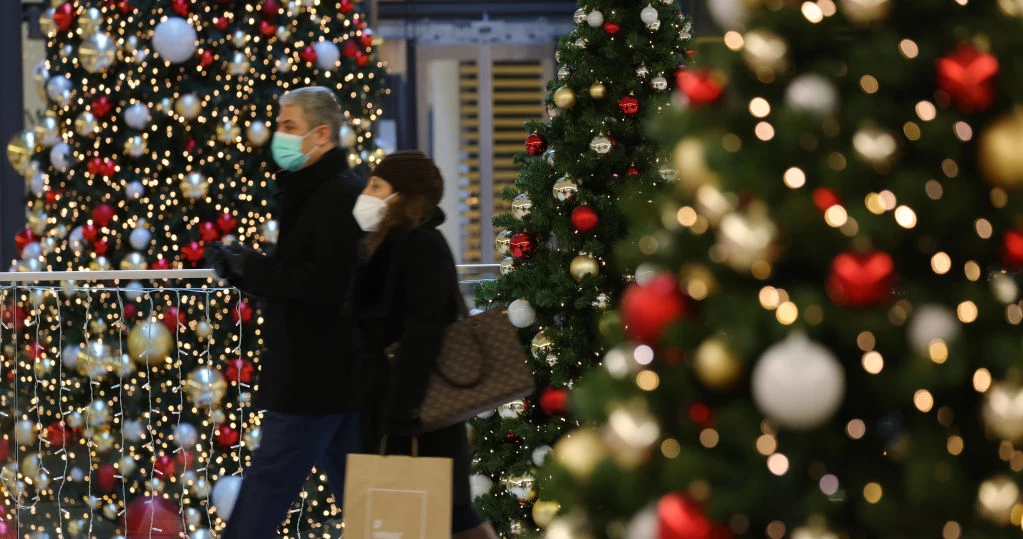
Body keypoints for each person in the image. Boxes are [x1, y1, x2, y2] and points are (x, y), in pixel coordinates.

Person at [205, 86, 365, 538]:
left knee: (266, 492)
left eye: (288, 126)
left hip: (313, 377)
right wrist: (247, 272)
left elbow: (324, 285)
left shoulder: (336, 197)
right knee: (365, 499)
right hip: (331, 377)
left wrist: (251, 269)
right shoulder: (316, 192)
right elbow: (303, 280)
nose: (279, 135)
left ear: (321, 134)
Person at [348, 151, 498, 539]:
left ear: (403, 196)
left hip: (420, 409)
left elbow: (423, 332)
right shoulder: (385, 245)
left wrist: (402, 413)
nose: (366, 192)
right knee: (432, 513)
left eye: (376, 185)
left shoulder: (421, 245)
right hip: (393, 404)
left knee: (446, 512)